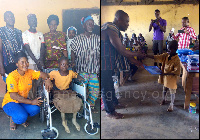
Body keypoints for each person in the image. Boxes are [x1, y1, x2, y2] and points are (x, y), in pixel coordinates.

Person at [101, 10, 145, 119]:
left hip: (108, 64)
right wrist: (137, 54)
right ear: (118, 20)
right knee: (106, 87)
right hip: (102, 64)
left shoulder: (116, 31)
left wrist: (138, 62)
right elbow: (122, 50)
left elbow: (124, 52)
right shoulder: (110, 28)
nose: (128, 25)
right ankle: (110, 112)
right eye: (126, 22)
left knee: (110, 85)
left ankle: (114, 103)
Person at [2, 51, 53, 130]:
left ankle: (20, 114)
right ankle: (14, 118)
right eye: (22, 62)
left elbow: (42, 74)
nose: (25, 64)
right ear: (17, 64)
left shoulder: (29, 72)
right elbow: (13, 95)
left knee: (36, 109)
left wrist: (47, 79)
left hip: (22, 101)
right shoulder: (12, 76)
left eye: (26, 62)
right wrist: (31, 102)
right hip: (10, 102)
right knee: (21, 117)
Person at [70, 15, 100, 113]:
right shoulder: (77, 39)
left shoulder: (97, 39)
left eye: (92, 24)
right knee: (81, 90)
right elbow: (73, 52)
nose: (91, 25)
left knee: (95, 90)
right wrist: (73, 63)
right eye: (88, 24)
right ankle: (81, 106)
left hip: (94, 70)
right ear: (84, 25)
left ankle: (90, 106)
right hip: (81, 70)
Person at [146, 40, 181, 112]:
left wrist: (165, 74)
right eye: (167, 49)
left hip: (172, 78)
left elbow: (176, 72)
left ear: (174, 49)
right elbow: (157, 57)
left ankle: (172, 104)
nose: (167, 51)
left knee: (172, 91)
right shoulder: (166, 55)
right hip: (165, 77)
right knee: (164, 89)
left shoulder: (177, 60)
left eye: (169, 50)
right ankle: (163, 99)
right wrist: (146, 55)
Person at [22, 14, 45, 99]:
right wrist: (37, 61)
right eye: (31, 20)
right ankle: (32, 102)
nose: (33, 21)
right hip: (30, 63)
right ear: (28, 22)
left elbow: (43, 48)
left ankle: (39, 103)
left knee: (39, 84)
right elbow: (27, 49)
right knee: (31, 84)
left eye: (35, 20)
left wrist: (40, 60)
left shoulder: (40, 34)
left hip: (39, 62)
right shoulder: (25, 34)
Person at [0, 11, 24, 82]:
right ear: (4, 19)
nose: (10, 18)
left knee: (20, 86)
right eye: (8, 17)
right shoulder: (1, 31)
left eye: (12, 16)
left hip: (20, 64)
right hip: (8, 65)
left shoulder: (19, 32)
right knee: (10, 87)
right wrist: (1, 67)